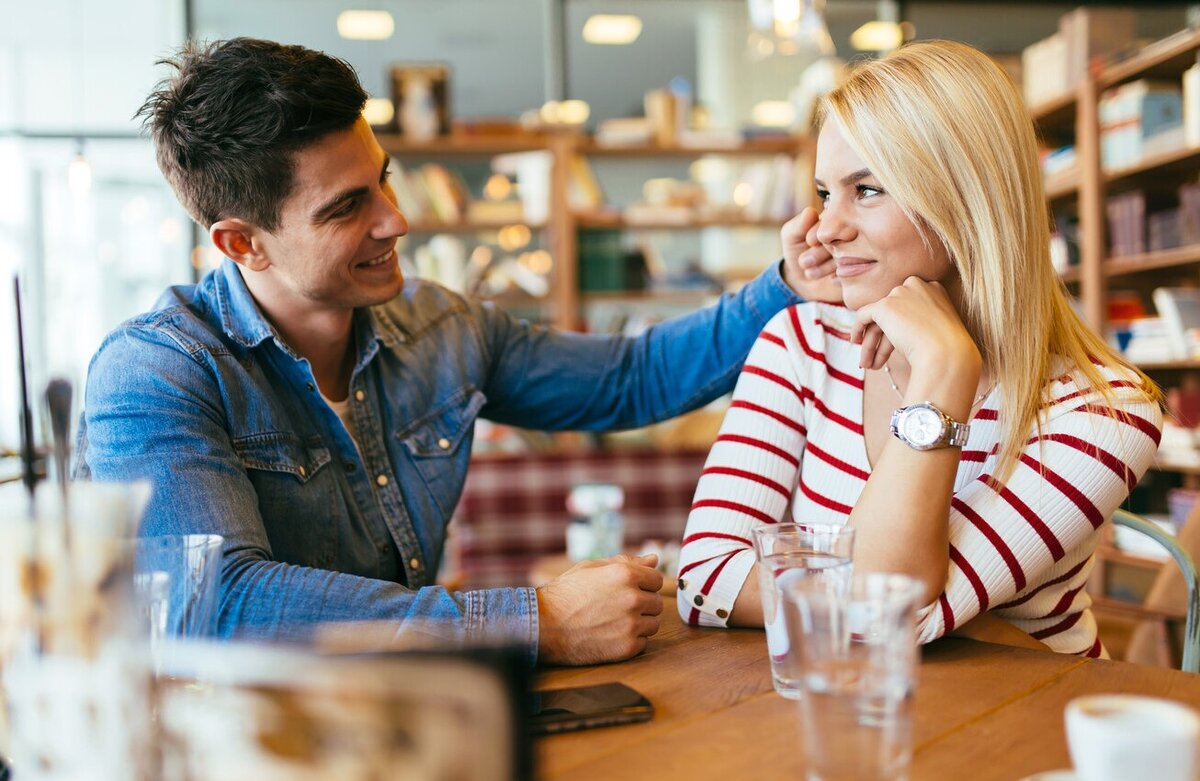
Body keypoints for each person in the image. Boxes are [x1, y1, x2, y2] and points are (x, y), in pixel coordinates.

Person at [74, 37, 838, 667]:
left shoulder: (441, 328)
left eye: (383, 182)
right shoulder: (154, 374)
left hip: (404, 726)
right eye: (347, 208)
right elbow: (216, 606)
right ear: (243, 242)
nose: (396, 221)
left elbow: (629, 379)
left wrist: (784, 284)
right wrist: (532, 620)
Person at [676, 40, 1163, 657]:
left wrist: (943, 371)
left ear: (965, 201)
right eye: (826, 193)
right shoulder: (803, 343)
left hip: (1024, 730)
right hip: (845, 716)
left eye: (868, 190)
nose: (826, 227)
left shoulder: (1105, 414)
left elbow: (889, 614)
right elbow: (705, 581)